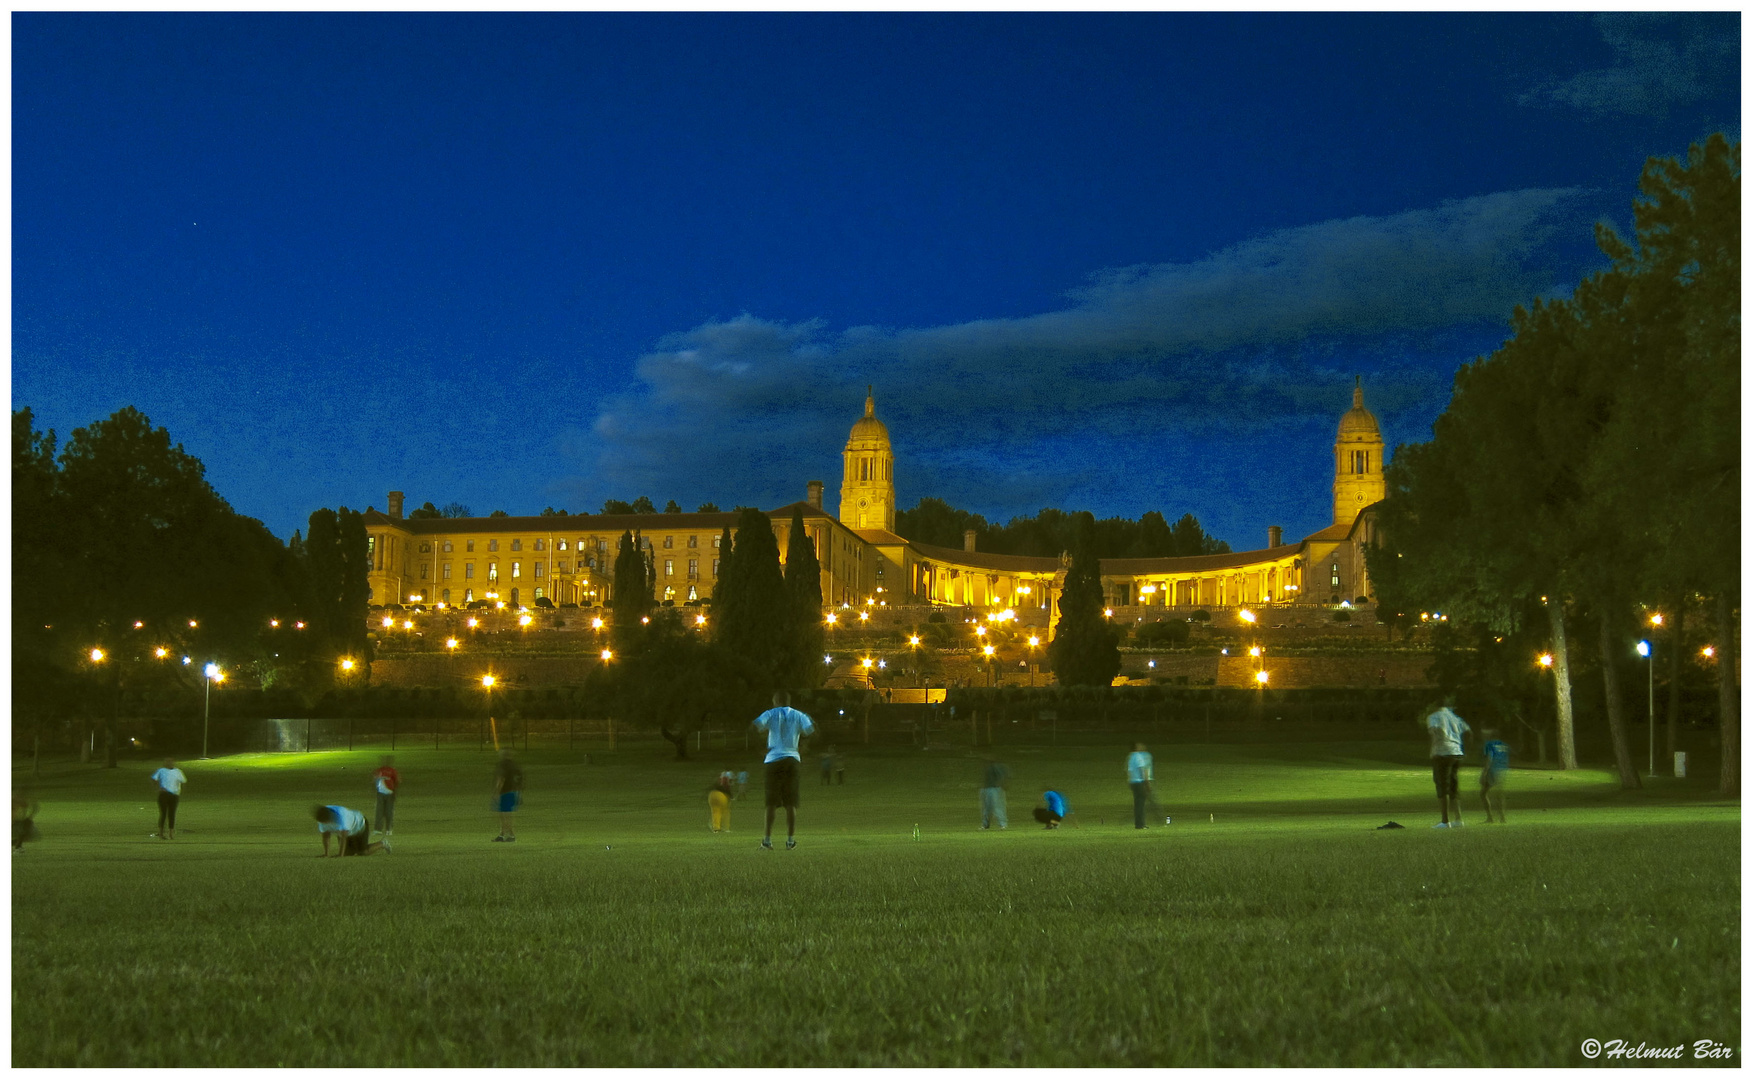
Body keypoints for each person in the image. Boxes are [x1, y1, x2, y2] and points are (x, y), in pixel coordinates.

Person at [752, 690, 814, 850]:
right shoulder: (799, 715)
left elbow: (755, 726)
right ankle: (790, 840)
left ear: (776, 701)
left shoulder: (770, 714)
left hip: (773, 759)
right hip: (792, 758)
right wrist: (803, 747)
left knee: (771, 803)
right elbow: (812, 731)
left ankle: (767, 841)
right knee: (790, 802)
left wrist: (760, 747)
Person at [1425, 698, 1471, 828]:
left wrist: (1435, 748)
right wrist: (1465, 750)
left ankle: (1445, 821)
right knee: (1453, 786)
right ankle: (1458, 819)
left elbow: (1433, 732)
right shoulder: (1455, 717)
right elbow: (1469, 732)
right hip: (1457, 752)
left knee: (1442, 785)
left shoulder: (1433, 717)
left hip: (1442, 752)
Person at [313, 804, 381, 857]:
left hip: (360, 825)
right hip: (347, 830)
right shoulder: (322, 818)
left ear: (329, 819)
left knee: (363, 852)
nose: (324, 824)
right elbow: (326, 836)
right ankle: (352, 849)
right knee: (348, 853)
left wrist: (340, 855)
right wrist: (326, 854)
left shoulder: (341, 816)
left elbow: (343, 837)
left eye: (325, 822)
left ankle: (383, 843)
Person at [149, 758, 187, 840]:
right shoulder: (161, 770)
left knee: (172, 814)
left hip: (174, 795)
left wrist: (179, 791)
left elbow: (183, 781)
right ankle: (161, 832)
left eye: (171, 762)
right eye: (167, 762)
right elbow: (153, 778)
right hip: (164, 794)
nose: (169, 763)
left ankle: (171, 833)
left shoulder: (178, 771)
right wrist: (157, 788)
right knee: (163, 813)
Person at [1480, 728, 1510, 823]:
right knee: (1499, 794)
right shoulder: (1504, 744)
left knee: (1483, 793)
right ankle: (1502, 818)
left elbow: (1489, 758)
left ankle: (1490, 817)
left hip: (1493, 769)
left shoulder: (1489, 744)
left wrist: (1484, 772)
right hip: (1503, 769)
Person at [493, 750, 523, 842]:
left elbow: (501, 779)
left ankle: (511, 835)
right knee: (506, 814)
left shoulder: (503, 765)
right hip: (512, 791)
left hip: (504, 792)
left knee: (504, 815)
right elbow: (519, 778)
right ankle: (502, 834)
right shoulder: (514, 765)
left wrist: (496, 791)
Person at [370, 755, 399, 851]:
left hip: (389, 793)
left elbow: (397, 781)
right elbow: (374, 780)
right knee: (379, 811)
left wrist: (394, 791)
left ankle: (388, 829)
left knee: (388, 811)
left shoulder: (392, 771)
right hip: (380, 793)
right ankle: (378, 829)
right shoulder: (379, 770)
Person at [1127, 742, 1155, 829]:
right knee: (1141, 805)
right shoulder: (1138, 756)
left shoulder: (1130, 757)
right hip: (1139, 782)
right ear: (1136, 748)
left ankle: (1138, 824)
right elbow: (1143, 769)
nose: (1142, 746)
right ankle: (1141, 824)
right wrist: (1147, 783)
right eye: (1139, 746)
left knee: (1137, 804)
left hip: (1133, 782)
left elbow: (1129, 771)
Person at [979, 756, 1009, 830]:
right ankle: (987, 824)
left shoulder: (994, 767)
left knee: (996, 807)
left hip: (993, 789)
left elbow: (1001, 777)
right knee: (989, 808)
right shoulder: (991, 767)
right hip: (989, 788)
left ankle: (1002, 824)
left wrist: (1001, 784)